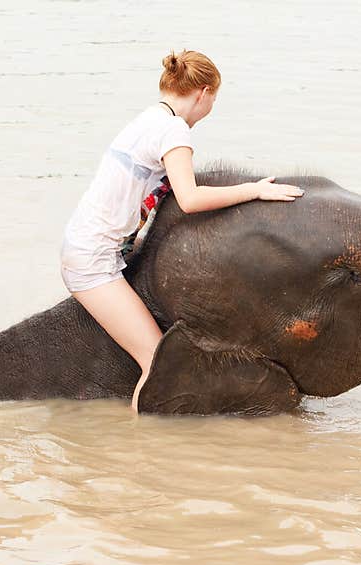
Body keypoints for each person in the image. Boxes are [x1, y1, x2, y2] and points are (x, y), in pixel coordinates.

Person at [59, 49, 305, 412]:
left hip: (87, 247)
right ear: (203, 93)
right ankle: (141, 450)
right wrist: (255, 189)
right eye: (213, 101)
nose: (209, 111)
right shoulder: (174, 130)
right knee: (158, 363)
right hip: (93, 262)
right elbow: (189, 198)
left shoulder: (149, 118)